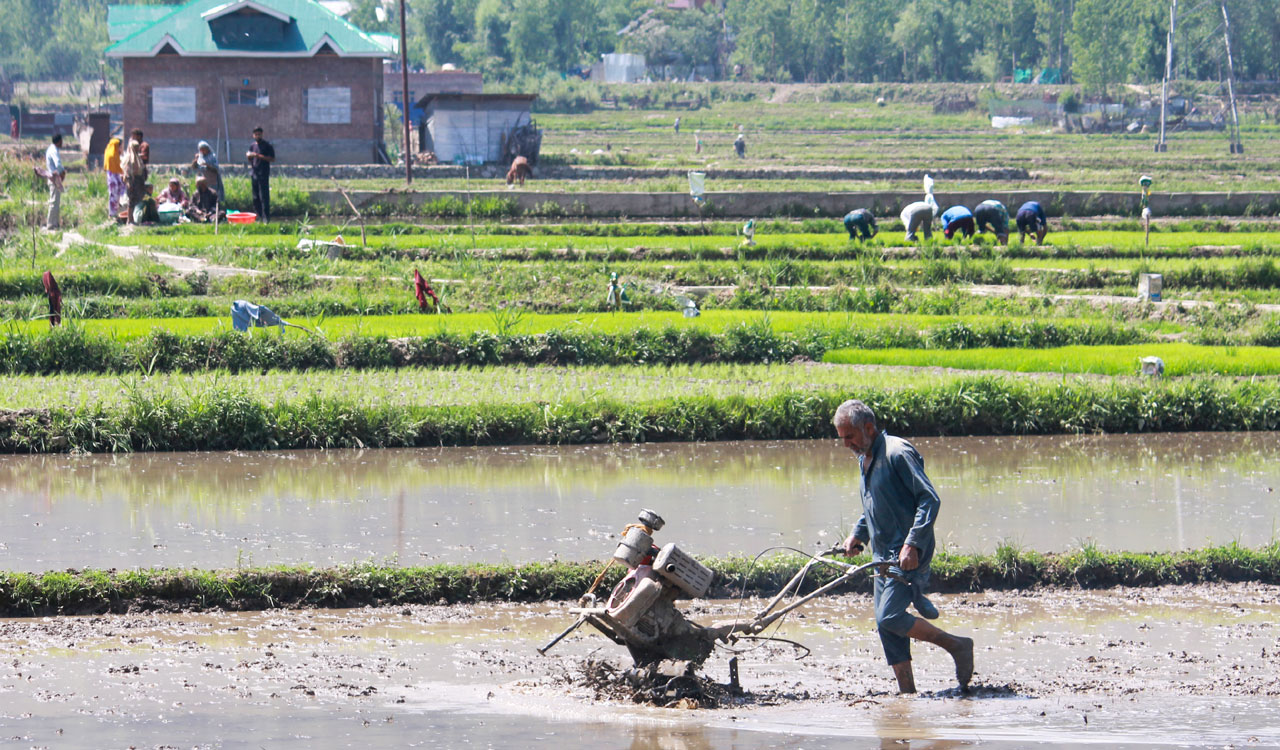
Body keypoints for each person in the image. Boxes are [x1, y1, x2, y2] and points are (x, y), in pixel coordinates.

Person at [834, 400, 975, 694]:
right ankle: (907, 693)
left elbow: (929, 499)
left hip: (906, 553)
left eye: (849, 437)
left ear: (869, 428)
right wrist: (858, 534)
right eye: (842, 438)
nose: (845, 444)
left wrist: (912, 543)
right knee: (885, 625)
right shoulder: (865, 458)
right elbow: (874, 503)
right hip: (881, 555)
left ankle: (957, 646)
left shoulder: (898, 453)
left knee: (891, 616)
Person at [246, 126, 275, 222]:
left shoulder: (267, 146)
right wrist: (249, 156)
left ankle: (266, 218)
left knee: (264, 196)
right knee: (255, 197)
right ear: (253, 135)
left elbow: (272, 159)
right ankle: (258, 217)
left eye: (259, 134)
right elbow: (250, 159)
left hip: (263, 173)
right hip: (254, 173)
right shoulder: (252, 146)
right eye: (256, 134)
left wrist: (258, 156)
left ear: (262, 134)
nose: (257, 136)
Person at [121, 129, 149, 222]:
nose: (138, 149)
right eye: (136, 148)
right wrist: (129, 182)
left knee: (137, 199)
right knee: (131, 201)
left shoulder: (137, 158)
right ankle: (130, 219)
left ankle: (134, 218)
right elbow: (127, 171)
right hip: (132, 181)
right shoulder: (129, 159)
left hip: (138, 181)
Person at [44, 134, 66, 230]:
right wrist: (63, 172)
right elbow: (58, 164)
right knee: (54, 201)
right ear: (59, 141)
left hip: (53, 178)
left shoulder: (51, 149)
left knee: (56, 201)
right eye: (62, 141)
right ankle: (50, 224)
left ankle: (55, 224)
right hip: (54, 178)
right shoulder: (54, 150)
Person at [104, 136, 126, 217]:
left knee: (114, 197)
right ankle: (113, 214)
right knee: (114, 197)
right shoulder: (113, 156)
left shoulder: (112, 154)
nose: (121, 148)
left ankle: (114, 214)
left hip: (113, 178)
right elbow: (118, 169)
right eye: (120, 146)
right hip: (114, 179)